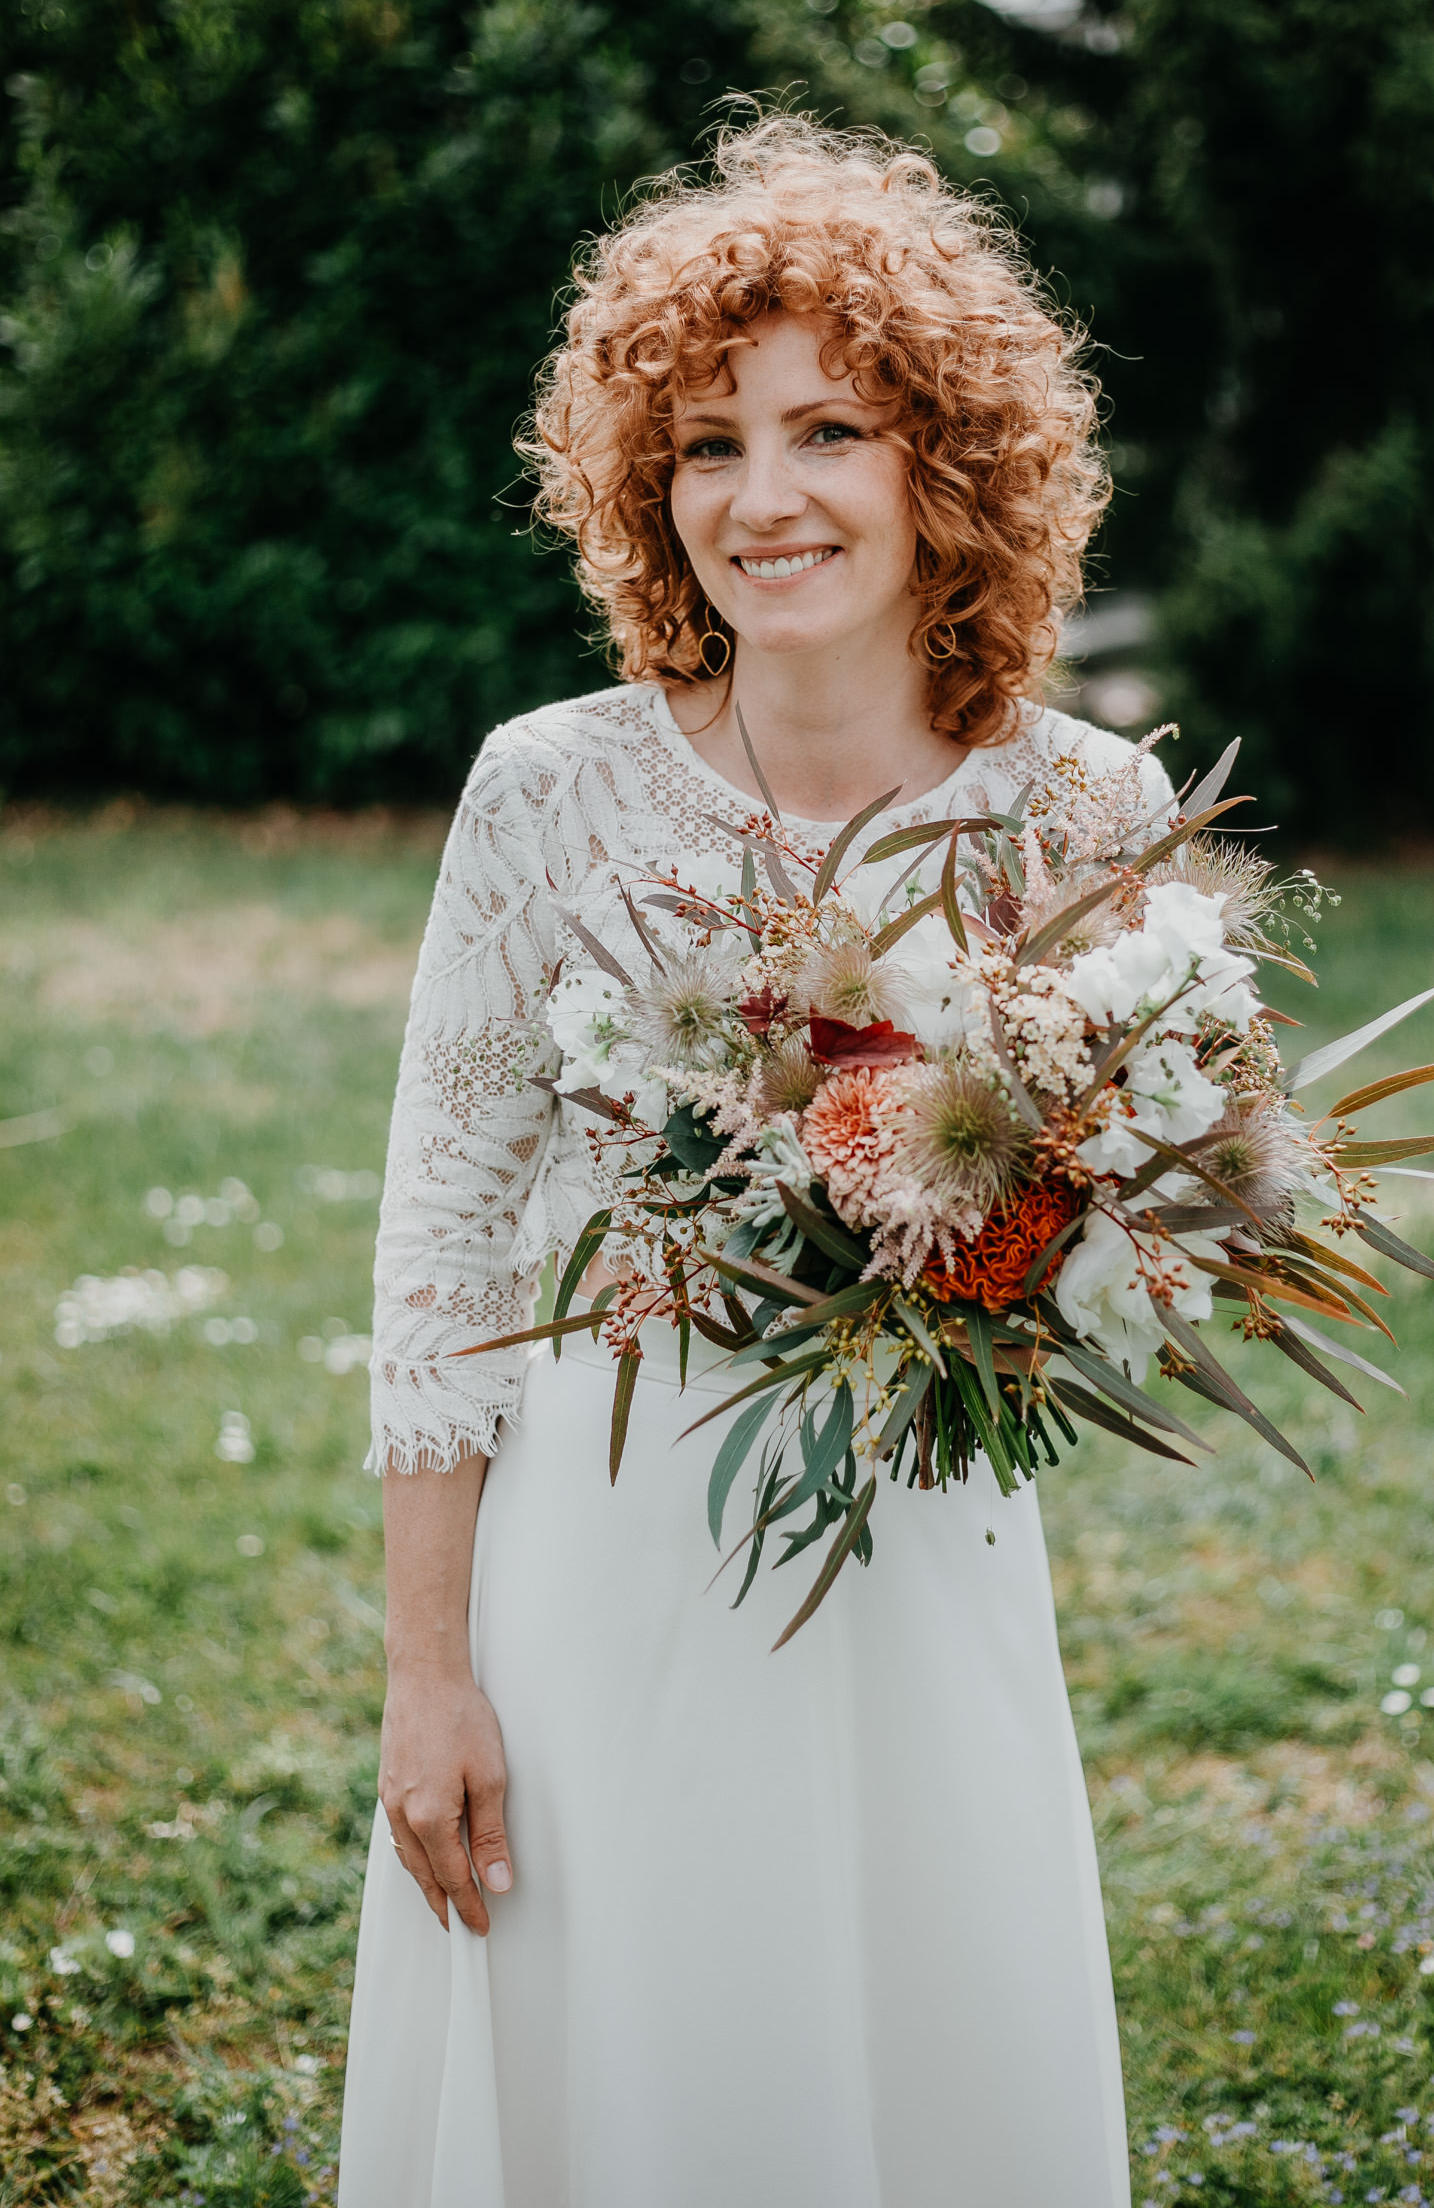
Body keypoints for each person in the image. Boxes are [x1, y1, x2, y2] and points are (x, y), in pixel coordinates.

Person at [338, 116, 1166, 2208]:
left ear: (945, 466)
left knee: (916, 2055)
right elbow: (437, 1243)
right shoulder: (548, 789)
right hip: (600, 1564)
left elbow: (1156, 1241)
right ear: (646, 487)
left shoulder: (1087, 811)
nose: (763, 498)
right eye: (706, 443)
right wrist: (429, 1668)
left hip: (925, 1560)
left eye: (827, 430)